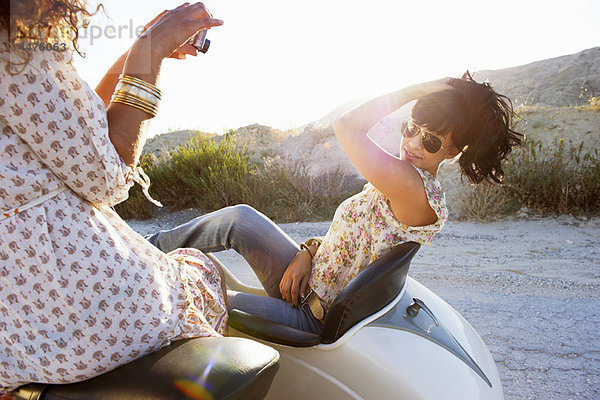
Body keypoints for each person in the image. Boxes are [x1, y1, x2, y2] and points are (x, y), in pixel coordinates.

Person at [147, 72, 523, 334]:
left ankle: (135, 278)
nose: (411, 143)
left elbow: (346, 126)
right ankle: (146, 249)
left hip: (312, 315)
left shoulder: (413, 187)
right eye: (411, 128)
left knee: (192, 295)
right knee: (240, 219)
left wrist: (414, 88)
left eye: (430, 141)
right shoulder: (402, 178)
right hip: (307, 279)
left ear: (455, 151)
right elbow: (351, 241)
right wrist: (308, 250)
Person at [0, 1, 228, 394]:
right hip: (74, 319)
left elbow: (80, 128)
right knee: (200, 270)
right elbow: (108, 175)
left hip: (13, 331)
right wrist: (150, 52)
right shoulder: (16, 48)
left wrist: (136, 51)